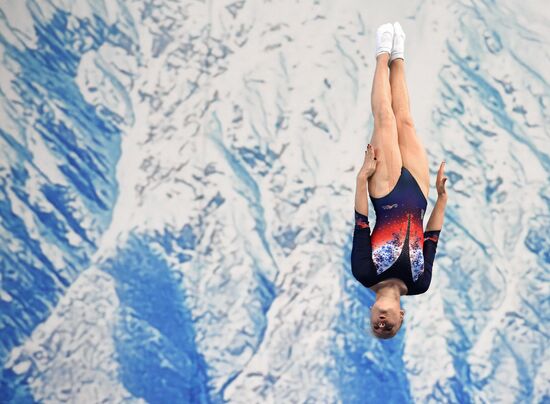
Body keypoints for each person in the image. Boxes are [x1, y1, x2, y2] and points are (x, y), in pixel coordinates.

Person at [351, 22, 448, 339]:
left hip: (386, 192)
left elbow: (361, 222)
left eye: (375, 324)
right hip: (419, 196)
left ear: (370, 312)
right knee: (406, 119)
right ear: (401, 315)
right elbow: (432, 237)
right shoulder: (420, 284)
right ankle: (399, 55)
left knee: (386, 119)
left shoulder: (364, 273)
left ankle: (382, 53)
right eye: (388, 325)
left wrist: (362, 179)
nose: (381, 321)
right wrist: (441, 198)